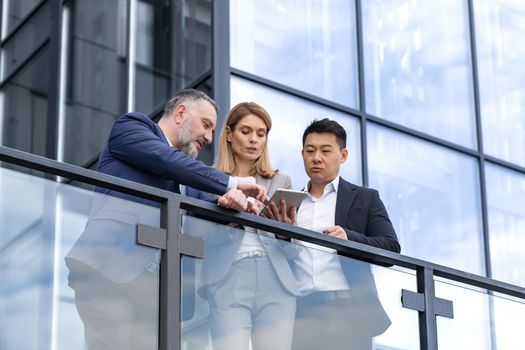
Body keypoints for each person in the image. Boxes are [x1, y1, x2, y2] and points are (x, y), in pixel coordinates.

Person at [65, 90, 268, 350]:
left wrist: (234, 206)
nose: (208, 137)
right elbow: (166, 160)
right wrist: (232, 183)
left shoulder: (188, 177)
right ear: (181, 113)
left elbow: (203, 219)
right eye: (206, 125)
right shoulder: (131, 128)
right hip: (110, 269)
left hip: (158, 290)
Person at [186, 102, 298, 350]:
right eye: (246, 131)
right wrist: (232, 217)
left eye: (261, 134)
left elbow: (295, 251)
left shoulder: (281, 180)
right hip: (228, 277)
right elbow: (194, 238)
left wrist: (285, 231)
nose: (254, 140)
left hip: (277, 280)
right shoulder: (206, 178)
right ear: (228, 133)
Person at [289, 118, 401, 350]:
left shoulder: (365, 198)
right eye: (310, 151)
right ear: (302, 154)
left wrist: (350, 239)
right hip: (299, 314)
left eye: (325, 150)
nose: (316, 157)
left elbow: (391, 247)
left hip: (348, 311)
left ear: (343, 155)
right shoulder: (291, 203)